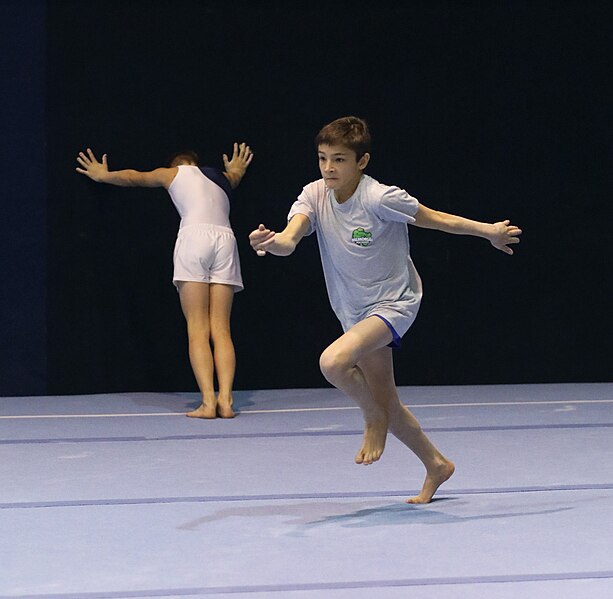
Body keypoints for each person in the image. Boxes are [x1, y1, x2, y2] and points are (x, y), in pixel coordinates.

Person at [249, 116, 521, 503]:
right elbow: (290, 241)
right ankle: (436, 464)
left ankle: (371, 417)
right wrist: (270, 242)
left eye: (339, 160)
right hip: (354, 311)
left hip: (393, 304)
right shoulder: (314, 195)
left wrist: (489, 231)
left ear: (362, 161)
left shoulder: (380, 198)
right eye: (323, 158)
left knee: (333, 363)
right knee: (387, 398)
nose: (329, 167)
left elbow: (437, 219)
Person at [76, 142, 253, 419]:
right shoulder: (222, 178)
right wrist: (236, 170)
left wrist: (103, 175)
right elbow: (235, 176)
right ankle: (226, 401)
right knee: (221, 328)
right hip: (226, 239)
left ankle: (208, 402)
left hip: (194, 237)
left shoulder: (172, 173)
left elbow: (134, 177)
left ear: (177, 164)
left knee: (197, 328)